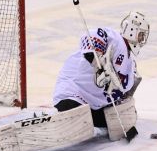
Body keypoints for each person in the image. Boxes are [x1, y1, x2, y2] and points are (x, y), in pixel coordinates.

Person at [53, 11, 150, 141]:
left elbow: (124, 91)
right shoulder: (115, 39)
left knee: (117, 118)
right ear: (132, 30)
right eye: (141, 35)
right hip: (74, 93)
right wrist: (96, 60)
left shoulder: (131, 64)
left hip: (95, 106)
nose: (142, 40)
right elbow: (90, 36)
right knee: (75, 118)